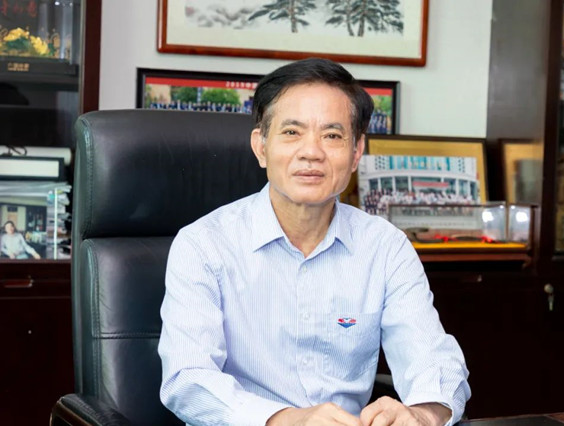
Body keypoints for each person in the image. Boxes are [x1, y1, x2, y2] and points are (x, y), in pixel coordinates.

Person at [158, 58, 470, 426]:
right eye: (292, 132)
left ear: (356, 152)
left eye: (332, 135)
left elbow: (432, 359)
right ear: (261, 147)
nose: (311, 152)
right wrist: (287, 420)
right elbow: (188, 380)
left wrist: (422, 413)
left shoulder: (385, 247)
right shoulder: (203, 245)